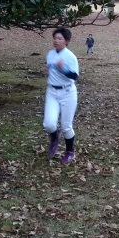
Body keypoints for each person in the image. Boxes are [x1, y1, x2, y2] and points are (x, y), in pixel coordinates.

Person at [42, 28, 79, 164]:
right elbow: (49, 67)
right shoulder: (50, 54)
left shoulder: (70, 56)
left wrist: (63, 68)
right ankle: (54, 137)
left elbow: (74, 76)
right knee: (48, 124)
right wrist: (47, 70)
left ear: (66, 41)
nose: (56, 41)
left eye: (59, 38)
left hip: (67, 93)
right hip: (52, 92)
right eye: (55, 38)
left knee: (66, 126)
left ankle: (70, 152)